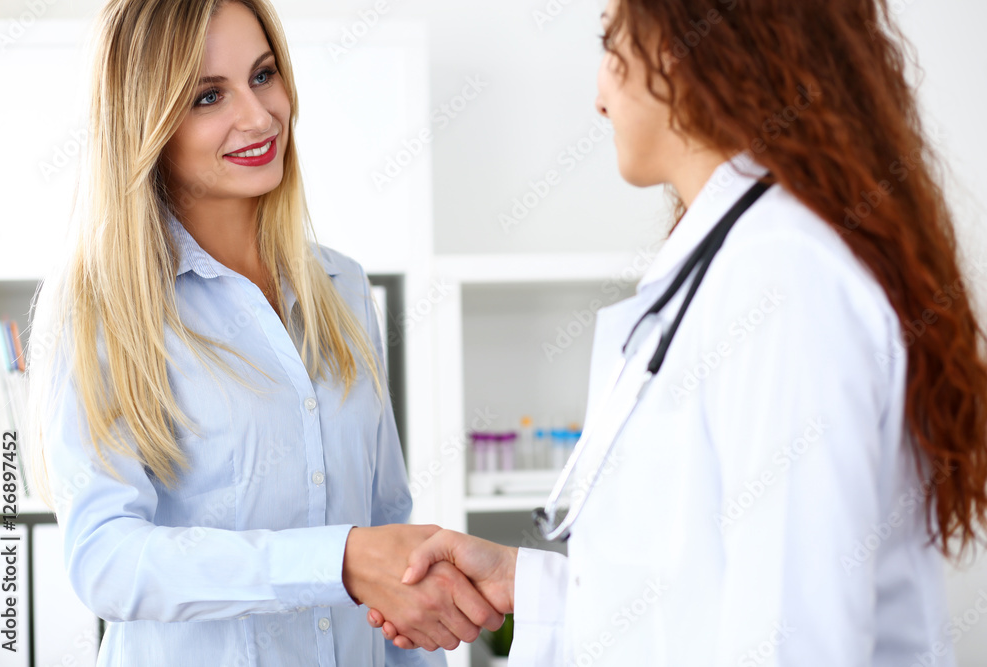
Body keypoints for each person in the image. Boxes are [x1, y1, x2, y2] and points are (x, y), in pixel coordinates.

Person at [368, 0, 987, 664]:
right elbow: (692, 593)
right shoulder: (735, 262)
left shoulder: (780, 278)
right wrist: (521, 580)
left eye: (611, 44)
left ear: (681, 42)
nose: (599, 96)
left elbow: (791, 642)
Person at [23, 1, 501, 665]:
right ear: (147, 123)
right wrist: (336, 559)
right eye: (209, 95)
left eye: (264, 75)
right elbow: (105, 558)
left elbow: (391, 529)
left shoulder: (344, 289)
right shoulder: (103, 308)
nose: (258, 115)